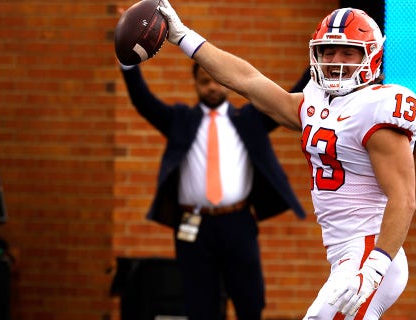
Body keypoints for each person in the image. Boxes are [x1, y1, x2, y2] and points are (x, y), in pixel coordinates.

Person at [156, 1, 416, 319]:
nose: (335, 61)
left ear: (371, 55)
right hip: (346, 253)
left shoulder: (377, 107)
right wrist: (183, 36)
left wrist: (376, 266)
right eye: (328, 51)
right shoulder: (316, 103)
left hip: (369, 252)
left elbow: (403, 198)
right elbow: (246, 80)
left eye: (347, 52)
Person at [119, 57, 308, 318]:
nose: (211, 87)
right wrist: (128, 62)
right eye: (204, 81)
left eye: (216, 81)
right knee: (200, 306)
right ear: (195, 84)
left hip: (238, 222)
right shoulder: (180, 119)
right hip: (193, 226)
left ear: (227, 84)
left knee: (250, 301)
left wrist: (315, 63)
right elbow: (143, 102)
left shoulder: (249, 118)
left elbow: (288, 99)